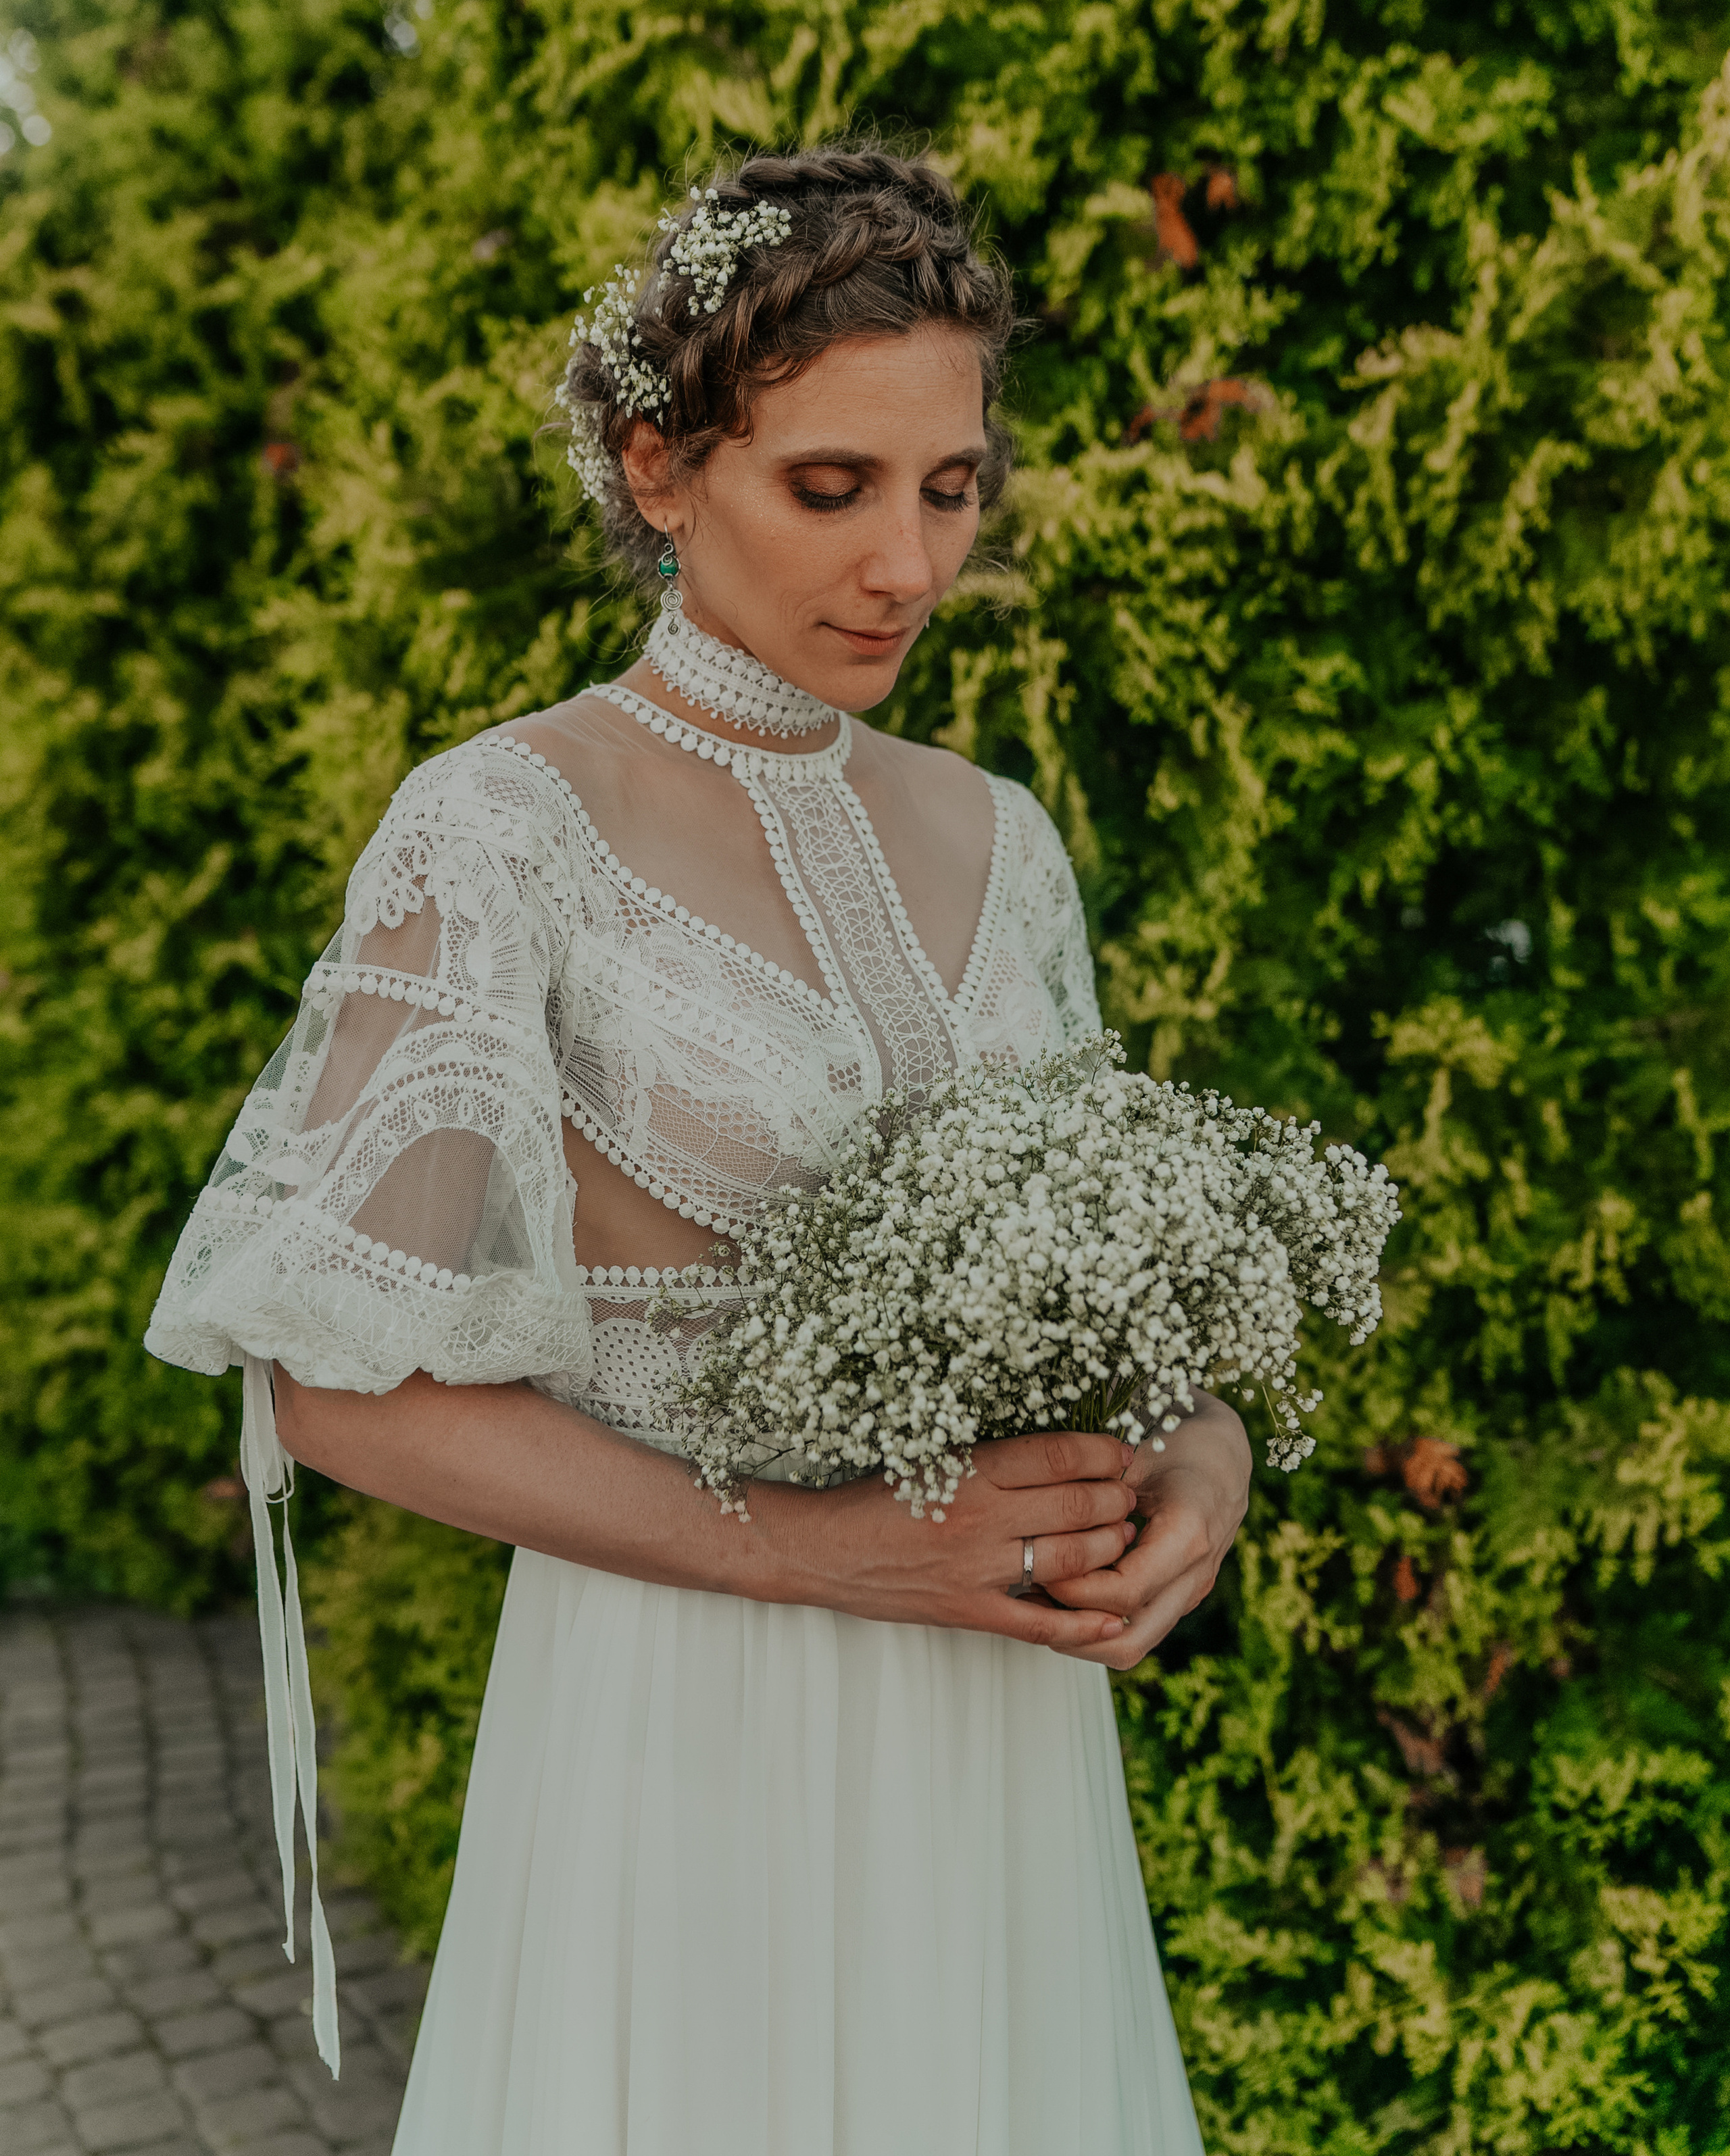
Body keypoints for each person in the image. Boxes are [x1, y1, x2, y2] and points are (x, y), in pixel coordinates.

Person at [146, 146, 1252, 2155]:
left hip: (1006, 1730)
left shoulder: (1005, 838)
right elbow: (333, 1382)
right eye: (832, 487)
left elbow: (1102, 1272)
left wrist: (1202, 1453)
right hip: (690, 1721)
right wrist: (820, 1549)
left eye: (952, 487)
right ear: (659, 470)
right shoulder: (503, 829)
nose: (910, 564)